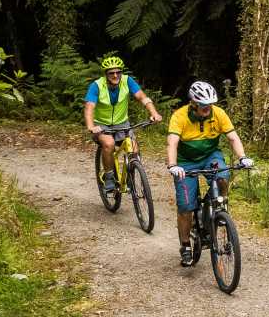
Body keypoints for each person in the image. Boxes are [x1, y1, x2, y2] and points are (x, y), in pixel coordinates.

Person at [164, 81, 252, 264]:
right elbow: (172, 142)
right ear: (193, 104)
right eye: (203, 105)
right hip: (185, 162)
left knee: (223, 175)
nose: (207, 109)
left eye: (210, 105)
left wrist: (242, 157)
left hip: (210, 156)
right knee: (186, 206)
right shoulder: (179, 116)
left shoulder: (218, 114)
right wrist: (173, 165)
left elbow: (233, 138)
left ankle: (220, 205)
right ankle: (186, 245)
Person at [84, 56, 162, 191]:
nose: (115, 75)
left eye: (118, 72)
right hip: (101, 125)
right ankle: (109, 176)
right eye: (111, 73)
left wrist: (154, 113)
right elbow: (89, 107)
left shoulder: (127, 81)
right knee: (109, 144)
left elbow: (142, 97)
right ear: (105, 74)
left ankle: (130, 176)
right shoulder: (96, 86)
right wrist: (91, 126)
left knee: (134, 149)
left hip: (122, 124)